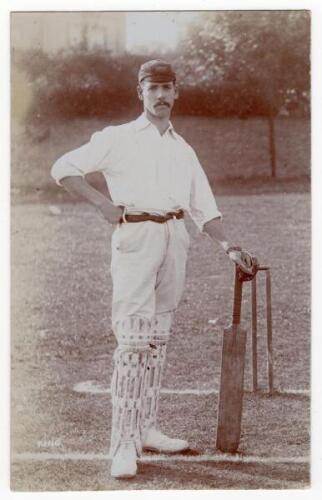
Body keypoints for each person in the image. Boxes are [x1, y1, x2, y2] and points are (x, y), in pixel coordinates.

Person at [51, 59, 256, 479]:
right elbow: (63, 169)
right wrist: (105, 206)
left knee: (158, 339)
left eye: (168, 88)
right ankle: (122, 445)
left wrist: (229, 247)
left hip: (175, 238)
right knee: (132, 342)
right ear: (140, 92)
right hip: (136, 239)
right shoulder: (118, 138)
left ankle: (145, 428)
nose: (161, 96)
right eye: (152, 88)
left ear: (177, 92)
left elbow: (205, 208)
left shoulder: (183, 149)